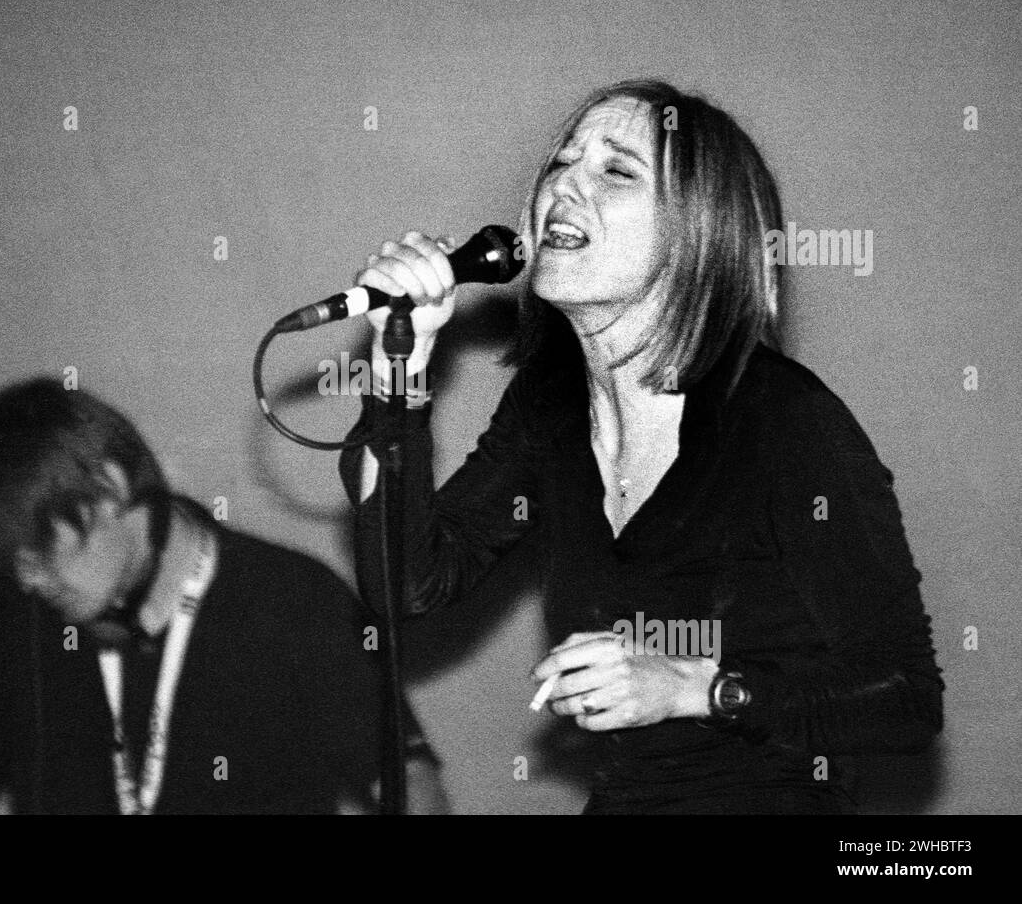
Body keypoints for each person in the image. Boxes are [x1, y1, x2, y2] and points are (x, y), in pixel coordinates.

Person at [338, 78, 943, 814]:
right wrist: (398, 362)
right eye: (561, 163)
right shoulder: (548, 406)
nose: (565, 185)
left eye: (615, 170)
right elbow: (408, 582)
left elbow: (906, 701)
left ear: (698, 232)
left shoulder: (787, 423)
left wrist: (696, 686)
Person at [0, 377, 446, 814]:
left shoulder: (294, 601)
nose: (28, 581)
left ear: (111, 486)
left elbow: (411, 788)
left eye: (39, 551)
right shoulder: (16, 612)